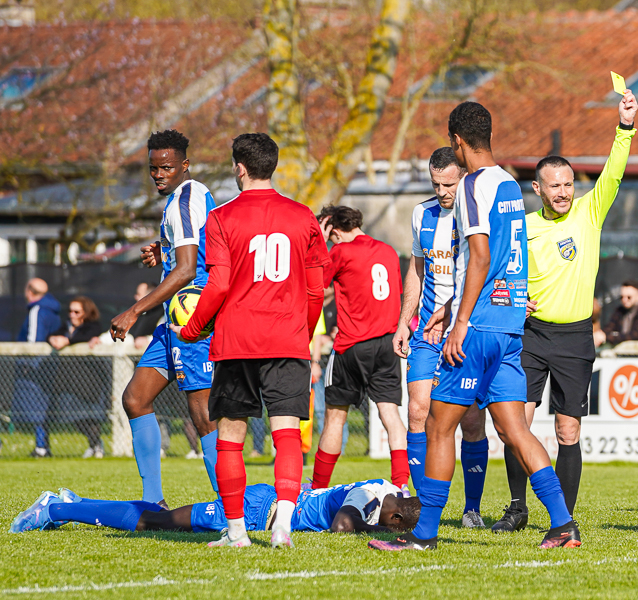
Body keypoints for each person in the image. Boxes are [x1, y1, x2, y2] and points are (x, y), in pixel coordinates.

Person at [369, 101, 580, 551]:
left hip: (478, 326)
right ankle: (563, 525)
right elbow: (503, 258)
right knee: (514, 430)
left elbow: (480, 256)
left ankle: (423, 534)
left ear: (456, 141)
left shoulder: (471, 187)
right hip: (508, 324)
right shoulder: (508, 182)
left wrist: (460, 320)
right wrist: (451, 305)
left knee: (439, 428)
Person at [173, 132, 329, 549]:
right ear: (271, 166)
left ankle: (238, 532)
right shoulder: (303, 217)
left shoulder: (221, 218)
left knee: (230, 436)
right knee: (286, 435)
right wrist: (304, 329)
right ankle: (284, 525)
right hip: (287, 340)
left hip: (237, 341)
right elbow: (317, 290)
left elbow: (219, 283)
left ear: (239, 168)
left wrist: (192, 329)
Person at [495, 90, 637, 532]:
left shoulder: (589, 213)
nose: (562, 192)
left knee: (567, 433)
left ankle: (564, 518)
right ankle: (517, 508)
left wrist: (625, 127)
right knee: (517, 425)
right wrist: (512, 295)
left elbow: (614, 171)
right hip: (531, 335)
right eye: (553, 185)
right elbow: (498, 271)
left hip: (575, 336)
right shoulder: (522, 223)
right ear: (536, 188)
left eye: (568, 183)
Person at [108, 129, 218, 508]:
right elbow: (195, 249)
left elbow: (188, 270)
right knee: (136, 398)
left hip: (194, 324)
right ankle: (152, 503)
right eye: (153, 168)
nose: (159, 174)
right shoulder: (189, 195)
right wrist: (165, 250)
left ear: (184, 165)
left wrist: (134, 310)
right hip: (171, 326)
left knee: (203, 417)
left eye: (167, 167)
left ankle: (233, 509)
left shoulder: (183, 202)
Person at [393, 147, 488, 526]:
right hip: (427, 335)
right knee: (417, 411)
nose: (443, 191)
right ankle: (421, 509)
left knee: (471, 421)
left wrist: (451, 311)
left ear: (463, 176)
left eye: (449, 183)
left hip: (466, 331)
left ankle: (472, 509)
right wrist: (405, 320)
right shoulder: (422, 214)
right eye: (436, 184)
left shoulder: (476, 215)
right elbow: (416, 270)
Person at [312, 206, 409, 491]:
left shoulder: (341, 252)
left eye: (331, 237)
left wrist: (319, 240)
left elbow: (315, 283)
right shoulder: (389, 251)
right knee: (390, 414)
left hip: (352, 345)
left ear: (336, 231)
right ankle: (401, 486)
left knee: (334, 417)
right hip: (387, 344)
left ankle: (317, 488)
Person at [9, 480, 420, 535]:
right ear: (395, 514)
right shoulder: (367, 500)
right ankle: (55, 509)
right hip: (259, 510)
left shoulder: (391, 490)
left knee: (162, 515)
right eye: (394, 527)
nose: (391, 529)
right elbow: (342, 527)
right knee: (154, 522)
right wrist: (382, 536)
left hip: (270, 499)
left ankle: (75, 503)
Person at [48, 296, 106, 458]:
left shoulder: (92, 326)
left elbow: (88, 336)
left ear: (86, 313)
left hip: (89, 381)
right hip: (68, 380)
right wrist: (53, 338)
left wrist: (68, 340)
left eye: (76, 311)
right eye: (70, 311)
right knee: (74, 416)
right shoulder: (66, 326)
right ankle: (93, 444)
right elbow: (53, 335)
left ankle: (97, 445)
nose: (72, 314)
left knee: (92, 416)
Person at [12, 278, 61, 457]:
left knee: (36, 408)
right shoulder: (53, 310)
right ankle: (43, 447)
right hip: (48, 366)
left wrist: (27, 364)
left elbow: (34, 340)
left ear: (29, 292)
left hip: (34, 368)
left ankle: (41, 447)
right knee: (41, 408)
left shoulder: (37, 310)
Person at [597, 280, 638, 346]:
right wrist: (601, 335)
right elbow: (609, 328)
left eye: (629, 297)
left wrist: (608, 337)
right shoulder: (619, 311)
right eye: (621, 297)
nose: (624, 300)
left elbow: (635, 336)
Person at [130, 282, 165, 351]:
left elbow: (166, 334)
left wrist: (147, 339)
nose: (136, 297)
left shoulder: (162, 313)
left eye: (139, 294)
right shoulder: (140, 315)